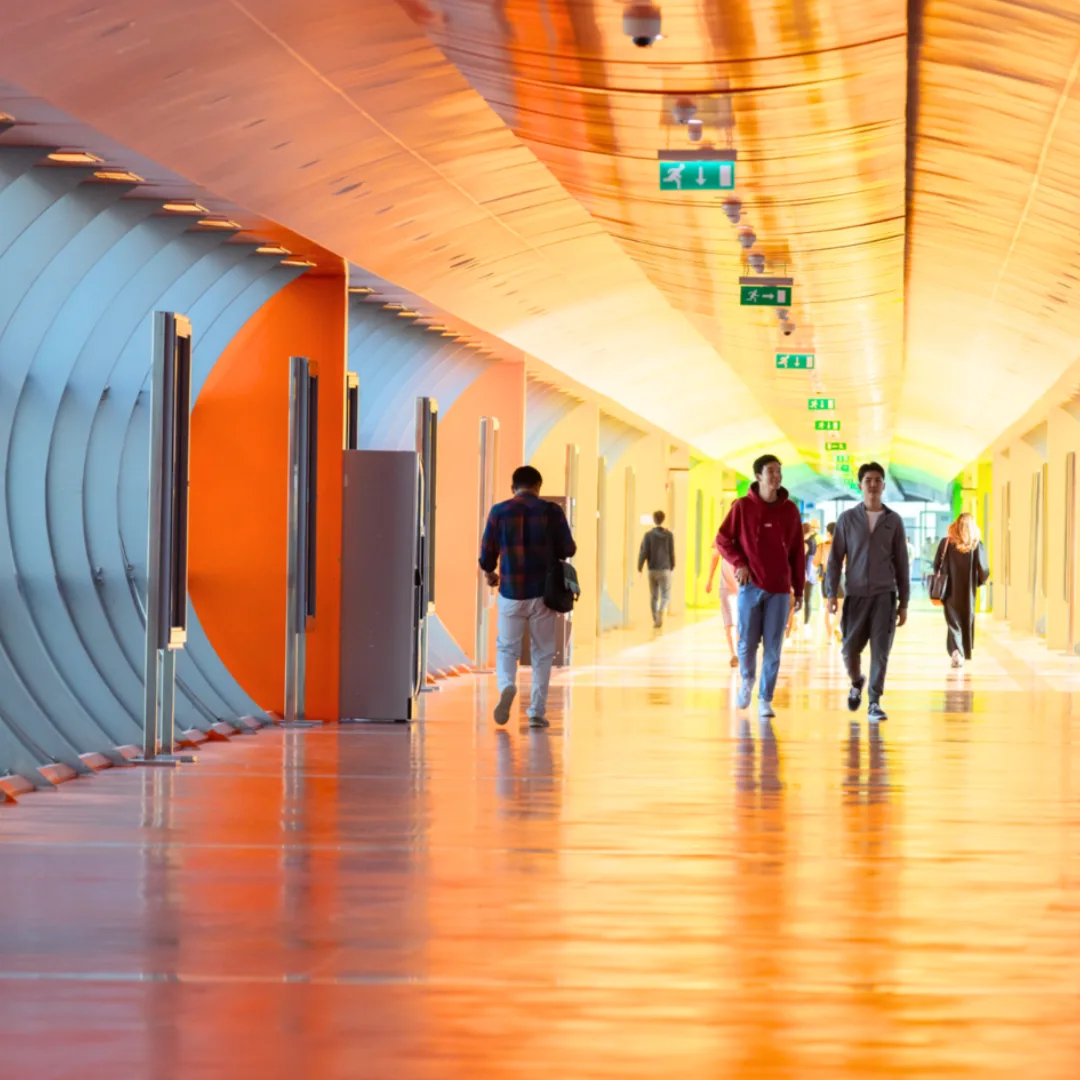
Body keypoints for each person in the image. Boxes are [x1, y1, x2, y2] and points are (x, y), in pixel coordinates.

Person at [479, 465, 576, 728]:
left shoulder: (499, 512)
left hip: (511, 592)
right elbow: (569, 548)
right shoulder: (551, 511)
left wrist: (490, 573)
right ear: (538, 486)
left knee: (507, 648)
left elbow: (487, 556)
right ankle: (536, 711)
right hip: (543, 594)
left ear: (514, 488)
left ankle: (507, 685)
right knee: (542, 653)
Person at [715, 454, 805, 718]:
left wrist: (798, 590)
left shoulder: (789, 511)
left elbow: (797, 553)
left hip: (779, 589)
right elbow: (722, 540)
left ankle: (765, 698)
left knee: (774, 646)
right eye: (771, 471)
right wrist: (739, 563)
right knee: (747, 643)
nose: (776, 476)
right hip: (750, 587)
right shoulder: (742, 507)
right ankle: (747, 682)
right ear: (758, 476)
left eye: (779, 471)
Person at [826, 462, 910, 722]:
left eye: (877, 480)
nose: (873, 484)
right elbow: (834, 557)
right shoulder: (847, 519)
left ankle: (874, 701)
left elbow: (902, 562)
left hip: (885, 595)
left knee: (880, 651)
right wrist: (831, 593)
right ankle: (856, 681)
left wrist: (903, 602)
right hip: (856, 595)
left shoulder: (893, 521)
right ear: (860, 486)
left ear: (883, 486)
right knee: (849, 649)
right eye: (868, 480)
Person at [934, 512, 990, 667]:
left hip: (949, 591)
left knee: (953, 622)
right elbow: (984, 570)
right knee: (965, 621)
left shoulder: (946, 543)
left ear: (956, 525)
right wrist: (978, 582)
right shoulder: (977, 545)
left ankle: (956, 653)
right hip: (968, 592)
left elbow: (936, 565)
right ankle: (959, 652)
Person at [638, 509, 676, 629]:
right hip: (665, 568)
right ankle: (661, 609)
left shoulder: (648, 535)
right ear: (663, 519)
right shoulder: (669, 535)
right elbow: (671, 552)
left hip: (652, 569)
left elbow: (643, 552)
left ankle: (655, 618)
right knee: (666, 594)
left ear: (654, 520)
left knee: (654, 596)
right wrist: (672, 566)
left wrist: (640, 567)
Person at [705, 540, 740, 667]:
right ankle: (735, 654)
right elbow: (715, 557)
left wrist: (710, 580)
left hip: (737, 584)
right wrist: (709, 580)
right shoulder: (725, 538)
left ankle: (735, 654)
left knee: (730, 621)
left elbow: (714, 557)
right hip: (738, 584)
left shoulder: (724, 538)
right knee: (734, 621)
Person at [815, 522, 843, 642]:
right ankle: (836, 627)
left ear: (828, 533)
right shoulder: (843, 545)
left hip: (826, 577)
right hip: (839, 577)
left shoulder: (821, 546)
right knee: (841, 607)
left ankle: (830, 636)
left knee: (827, 607)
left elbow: (815, 562)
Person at [802, 521, 819, 627]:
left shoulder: (804, 543)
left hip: (803, 572)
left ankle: (794, 624)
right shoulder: (813, 542)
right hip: (811, 572)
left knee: (796, 599)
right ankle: (806, 624)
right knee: (808, 599)